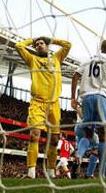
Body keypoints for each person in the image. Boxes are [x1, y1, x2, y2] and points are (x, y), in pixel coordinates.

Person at [15, 36, 71, 179]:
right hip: (37, 104)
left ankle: (51, 172)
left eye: (41, 43)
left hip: (54, 105)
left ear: (47, 46)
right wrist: (32, 40)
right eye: (37, 44)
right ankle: (31, 173)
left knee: (53, 140)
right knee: (35, 135)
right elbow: (18, 46)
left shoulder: (57, 58)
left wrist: (52, 40)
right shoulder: (32, 59)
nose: (39, 45)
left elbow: (67, 45)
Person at [71, 39, 106, 179]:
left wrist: (72, 97)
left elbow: (75, 75)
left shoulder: (88, 60)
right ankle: (101, 173)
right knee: (103, 137)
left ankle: (79, 153)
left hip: (86, 99)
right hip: (102, 98)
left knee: (89, 135)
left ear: (100, 49)